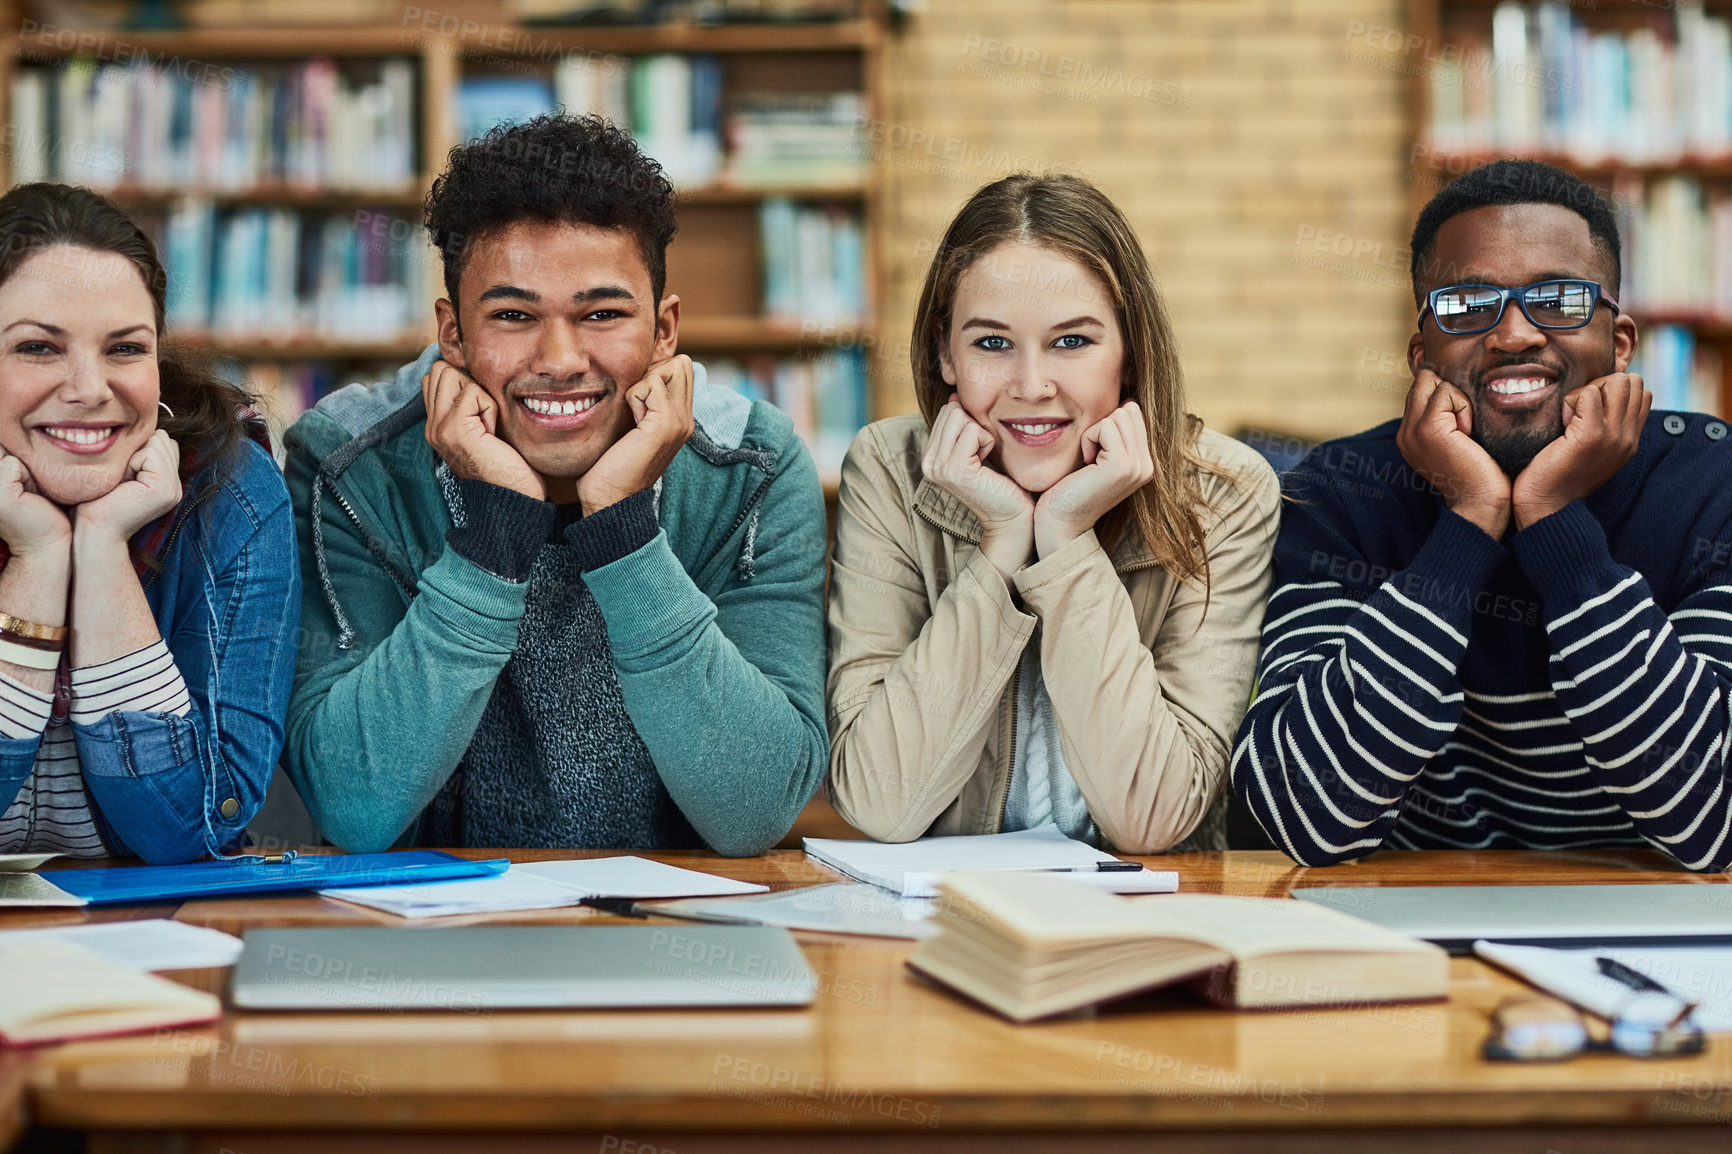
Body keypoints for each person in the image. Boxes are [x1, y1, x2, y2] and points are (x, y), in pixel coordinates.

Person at [282, 115, 829, 855]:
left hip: (674, 943)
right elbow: (354, 805)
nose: (562, 358)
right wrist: (494, 533)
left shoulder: (752, 467)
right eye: (513, 315)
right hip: (430, 943)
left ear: (665, 330)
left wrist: (625, 535)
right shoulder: (352, 466)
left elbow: (754, 811)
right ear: (453, 333)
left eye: (601, 314)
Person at [1231, 158, 1732, 871]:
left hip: (1661, 930)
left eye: (1557, 299)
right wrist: (1466, 526)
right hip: (1416, 929)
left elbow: (1713, 820)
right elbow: (1303, 816)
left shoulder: (1715, 484)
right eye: (1468, 306)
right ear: (1421, 354)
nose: (1514, 335)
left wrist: (1556, 523)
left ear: (1619, 343)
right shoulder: (1341, 495)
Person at [826, 173, 1280, 851]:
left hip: (1146, 919)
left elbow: (1153, 819)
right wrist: (1001, 543)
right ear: (942, 354)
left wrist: (1065, 542)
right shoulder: (890, 470)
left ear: (1130, 353)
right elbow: (880, 802)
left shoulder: (1224, 492)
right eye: (991, 343)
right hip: (940, 917)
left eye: (1072, 342)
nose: (1032, 386)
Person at [0, 183, 298, 864]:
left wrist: (101, 552)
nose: (89, 388)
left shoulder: (232, 492)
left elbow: (188, 829)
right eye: (39, 348)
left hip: (157, 940)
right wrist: (39, 557)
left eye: (125, 349)